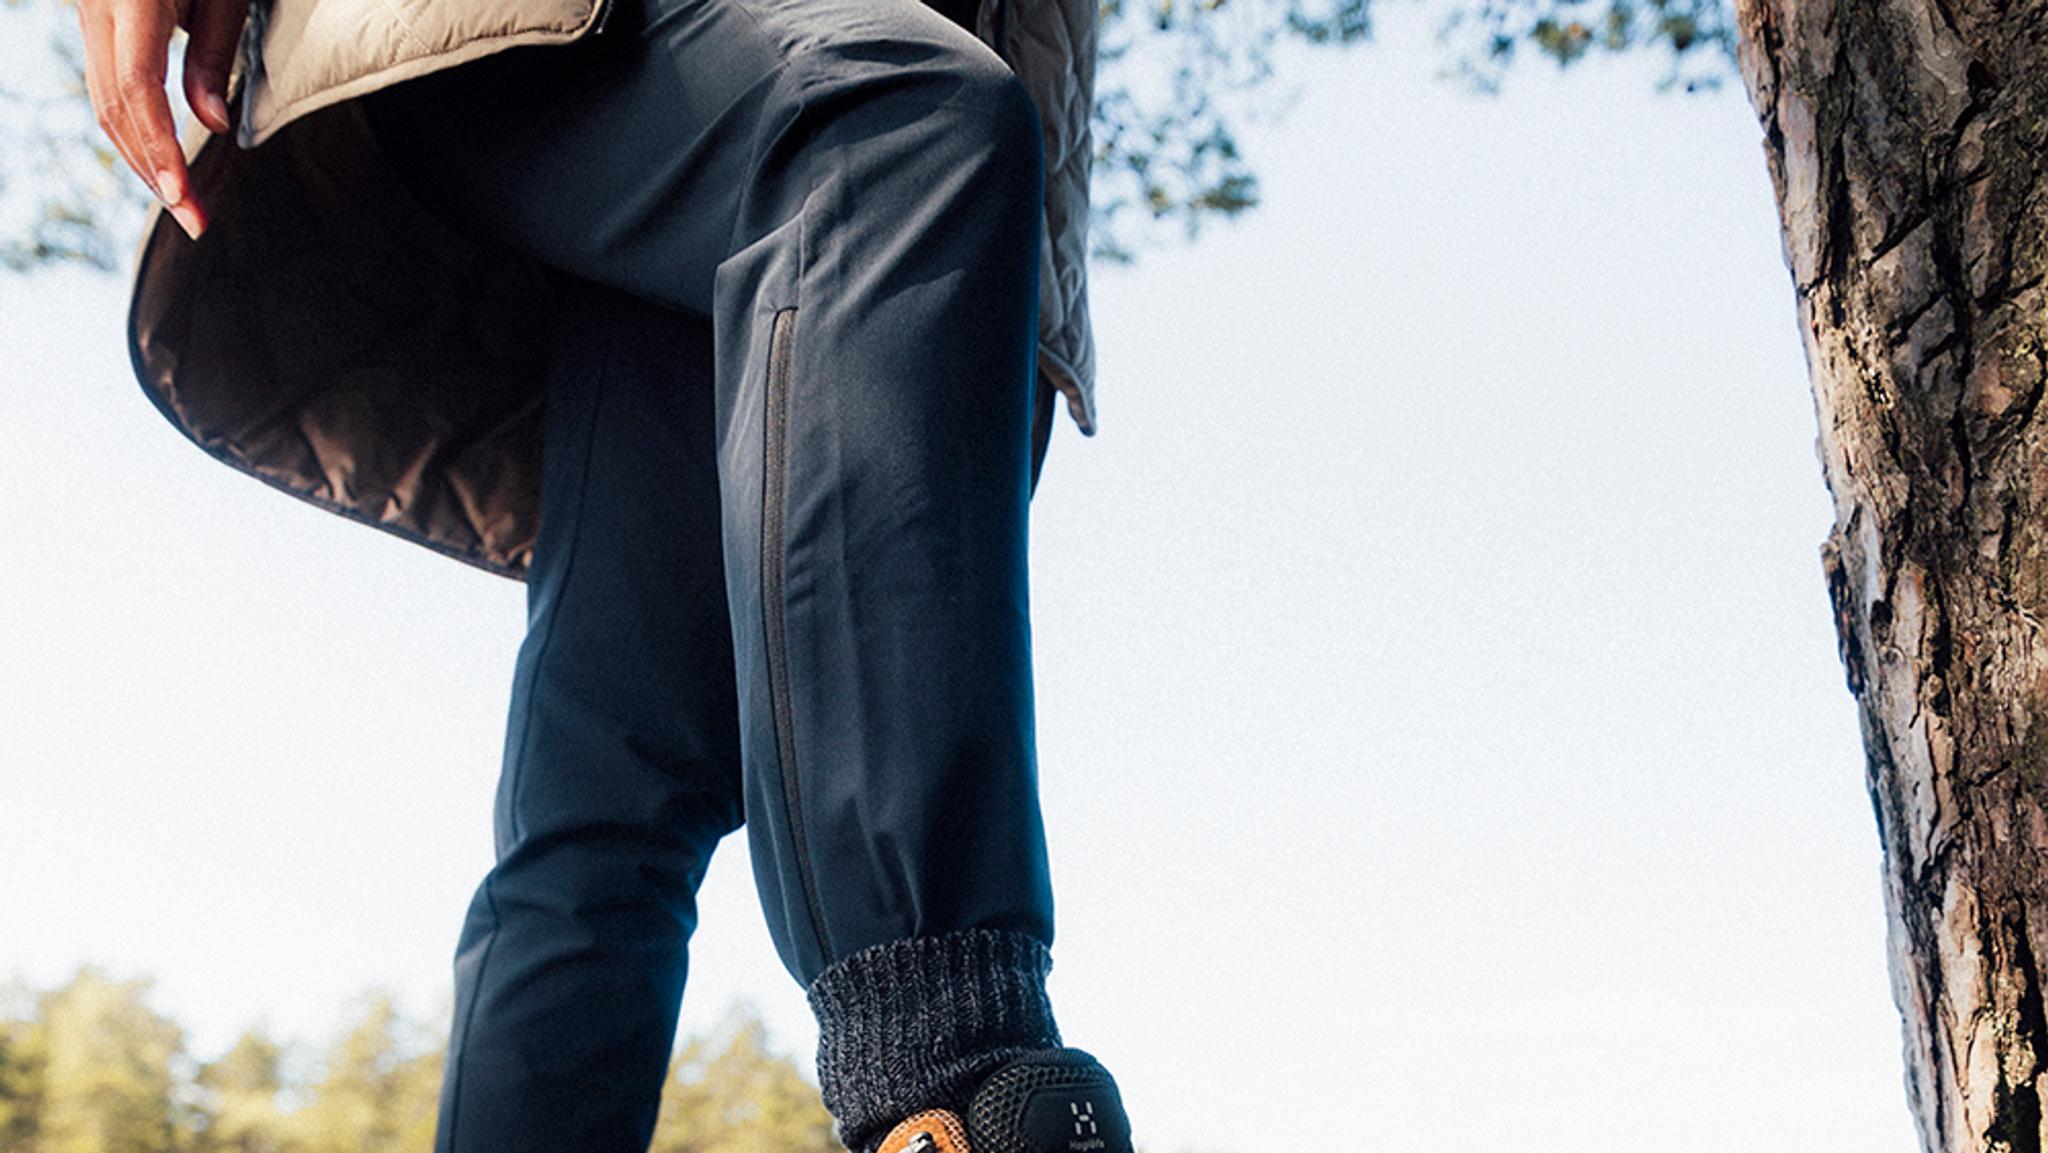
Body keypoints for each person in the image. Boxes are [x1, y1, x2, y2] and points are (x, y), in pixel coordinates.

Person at [102, 0, 1130, 1147]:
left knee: (614, 784)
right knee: (896, 120)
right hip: (587, 40)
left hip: (786, 171)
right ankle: (952, 1079)